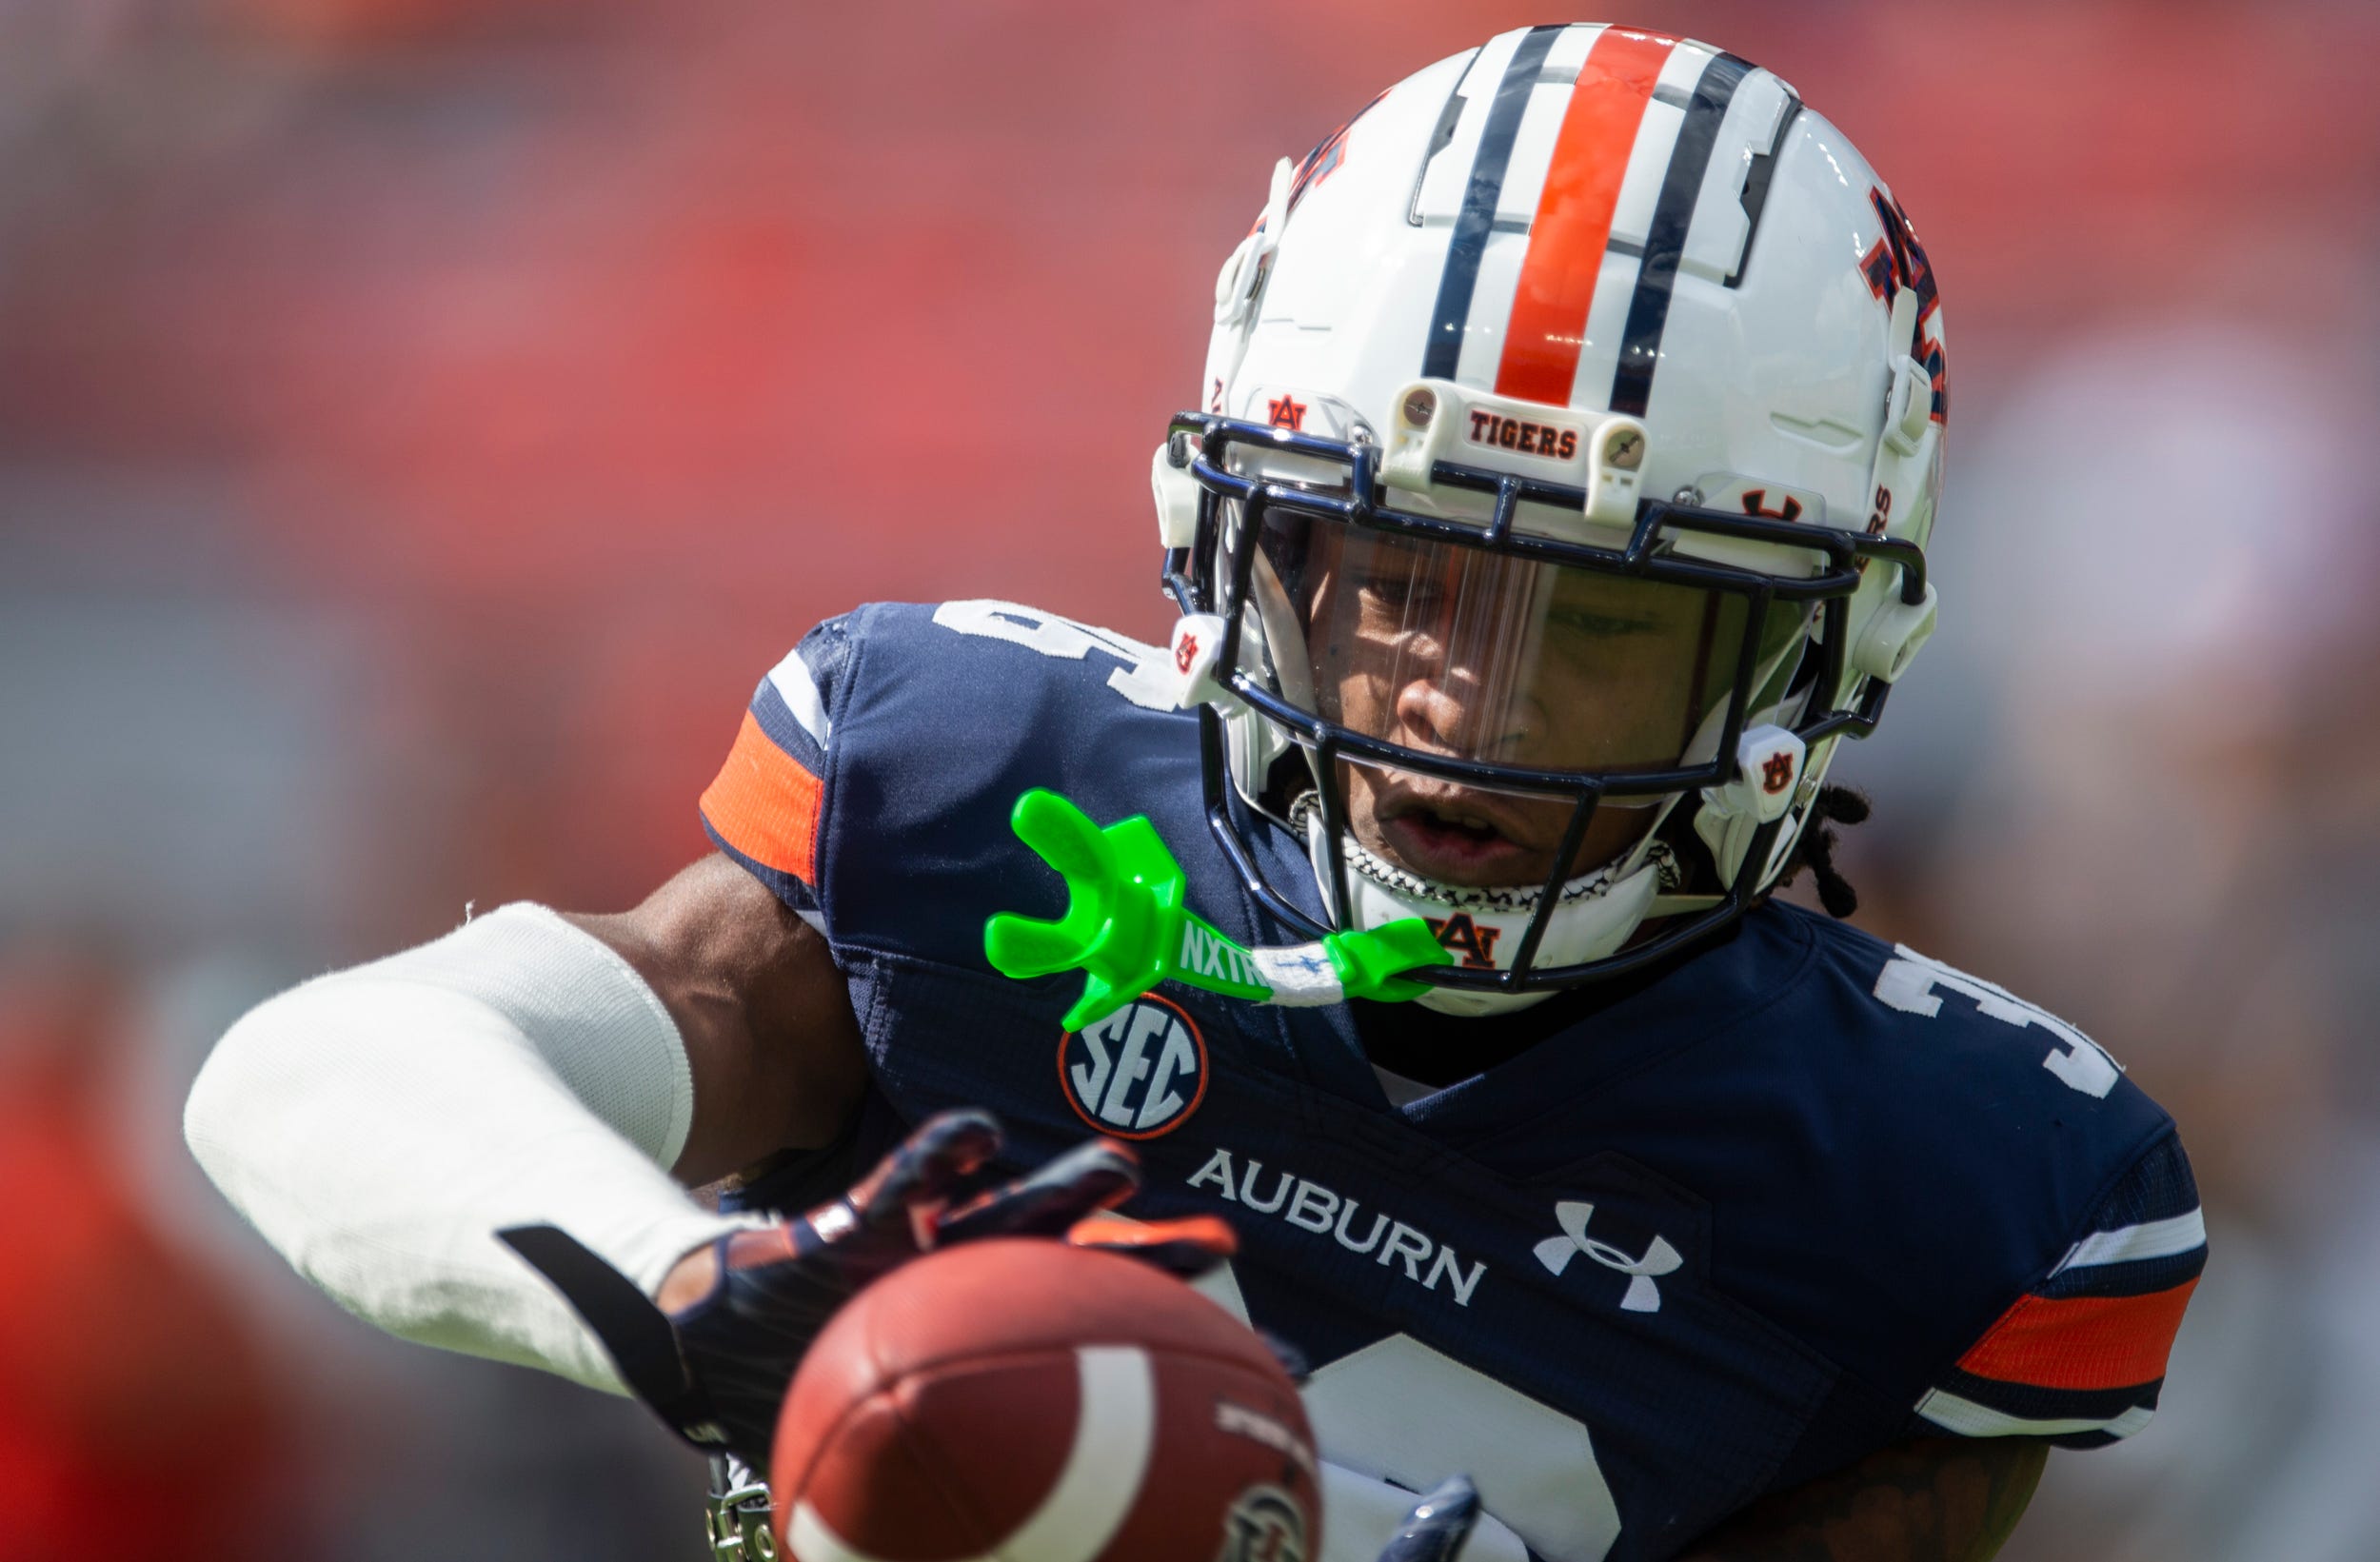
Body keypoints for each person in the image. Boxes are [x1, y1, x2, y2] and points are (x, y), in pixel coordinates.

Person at [185, 24, 2204, 1562]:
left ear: (1810, 661)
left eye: (1594, 617)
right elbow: (312, 1074)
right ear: (1234, 533)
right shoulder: (969, 796)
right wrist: (708, 1300)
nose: (1449, 688)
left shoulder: (1969, 1191)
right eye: (1396, 570)